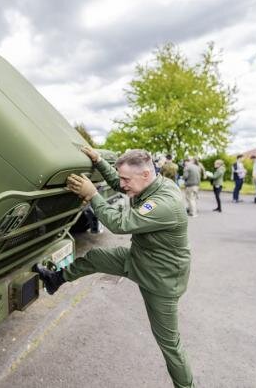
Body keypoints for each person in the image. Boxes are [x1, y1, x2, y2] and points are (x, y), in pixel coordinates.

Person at [34, 147, 194, 388]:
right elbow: (121, 184)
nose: (122, 184)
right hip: (140, 258)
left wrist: (92, 195)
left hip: (161, 279)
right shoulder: (150, 184)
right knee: (96, 257)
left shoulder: (165, 203)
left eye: (126, 179)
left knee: (170, 344)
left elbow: (120, 224)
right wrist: (98, 161)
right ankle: (56, 280)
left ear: (146, 174)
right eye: (121, 177)